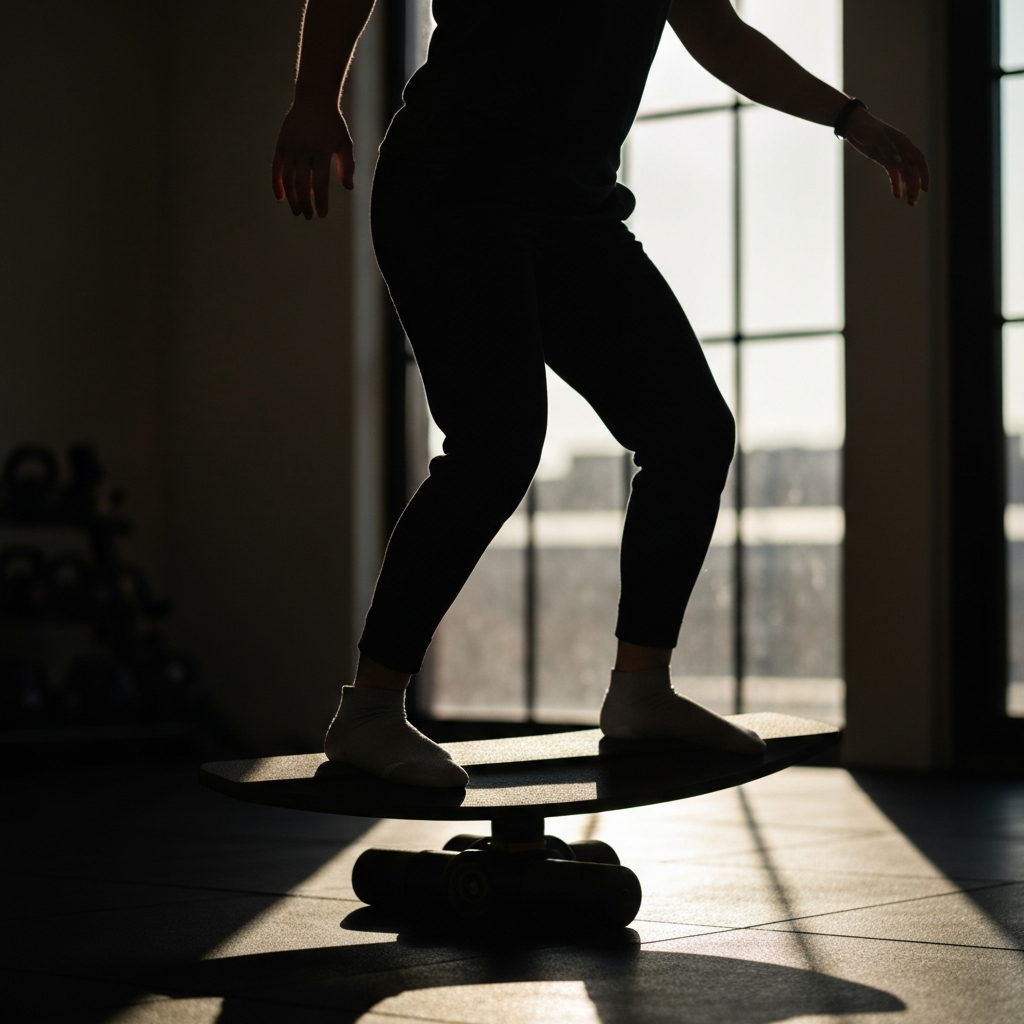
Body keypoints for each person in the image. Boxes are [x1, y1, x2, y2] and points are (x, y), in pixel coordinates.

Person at [273, 0, 929, 787]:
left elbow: (718, 34)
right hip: (451, 190)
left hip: (572, 212)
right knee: (497, 445)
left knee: (690, 431)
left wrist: (849, 117)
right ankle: (370, 711)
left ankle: (641, 690)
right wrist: (316, 98)